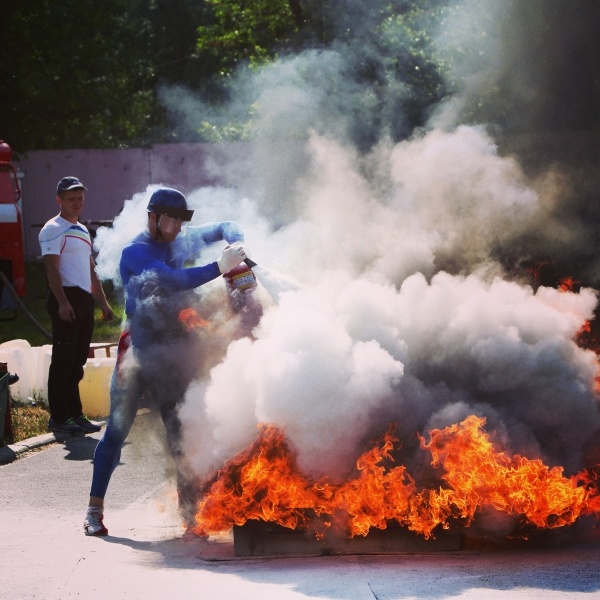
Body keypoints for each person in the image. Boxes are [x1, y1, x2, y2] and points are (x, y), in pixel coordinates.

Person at [84, 187, 249, 536]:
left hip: (172, 348)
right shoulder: (135, 253)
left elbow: (226, 226)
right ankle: (93, 510)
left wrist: (236, 245)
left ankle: (191, 514)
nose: (175, 227)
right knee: (117, 429)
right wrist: (221, 266)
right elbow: (173, 281)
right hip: (139, 352)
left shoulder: (180, 240)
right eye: (169, 219)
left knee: (180, 433)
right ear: (153, 217)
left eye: (180, 220)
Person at [39, 176, 114, 435]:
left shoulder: (82, 230)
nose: (77, 202)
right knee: (63, 359)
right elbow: (51, 268)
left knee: (78, 360)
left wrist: (103, 304)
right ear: (59, 200)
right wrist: (61, 302)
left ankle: (75, 414)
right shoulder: (52, 228)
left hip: (82, 299)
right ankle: (59, 417)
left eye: (80, 198)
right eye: (71, 198)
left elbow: (91, 272)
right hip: (65, 297)